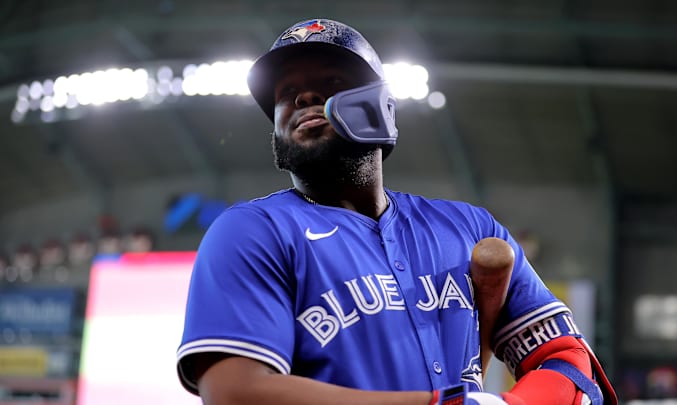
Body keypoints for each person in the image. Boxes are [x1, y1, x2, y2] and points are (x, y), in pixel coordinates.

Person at [176, 18, 618, 405]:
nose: (304, 96)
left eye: (331, 83)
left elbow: (570, 363)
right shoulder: (251, 231)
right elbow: (238, 393)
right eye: (287, 92)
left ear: (382, 109)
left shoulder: (470, 228)